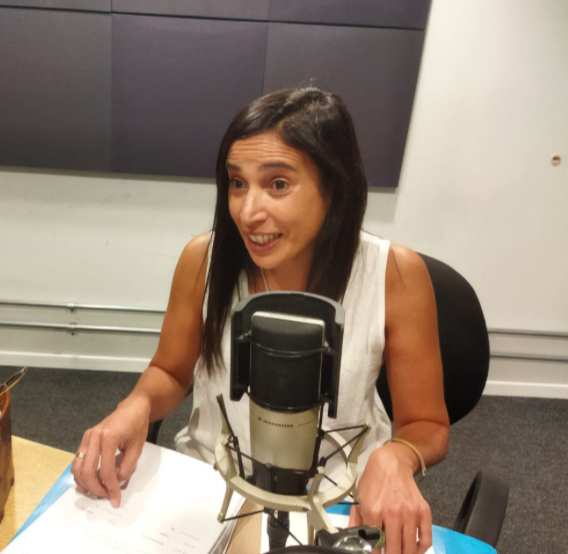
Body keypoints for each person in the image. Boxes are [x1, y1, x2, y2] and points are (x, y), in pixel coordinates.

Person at [72, 87, 449, 554]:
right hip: (211, 492)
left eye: (278, 184)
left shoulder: (394, 275)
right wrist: (136, 404)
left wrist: (398, 456)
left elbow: (427, 424)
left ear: (333, 187)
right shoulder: (203, 260)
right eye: (237, 183)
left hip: (339, 503)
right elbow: (170, 371)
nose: (248, 212)